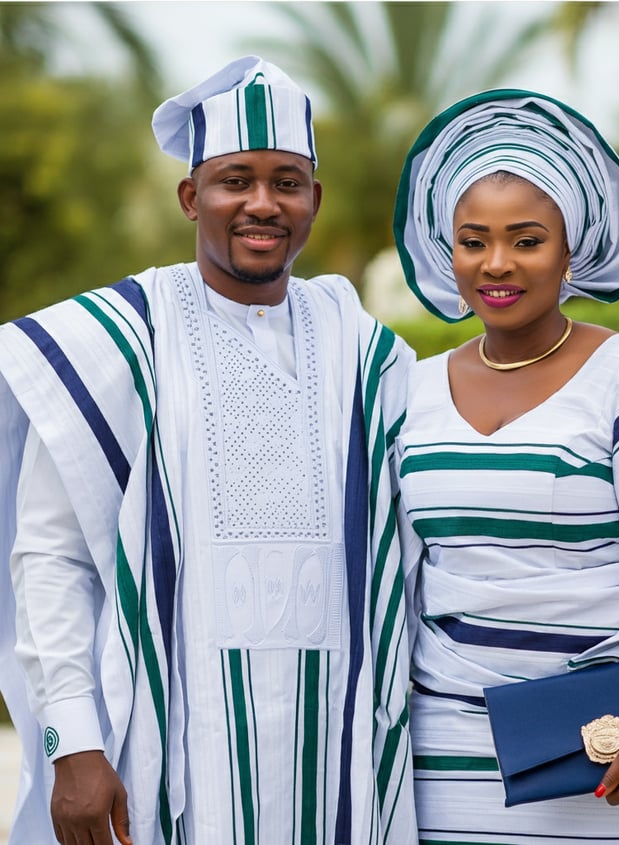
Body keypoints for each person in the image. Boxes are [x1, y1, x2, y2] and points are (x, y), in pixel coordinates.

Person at [0, 56, 417, 845]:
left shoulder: (368, 352)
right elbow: (51, 557)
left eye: (287, 182)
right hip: (170, 751)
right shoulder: (117, 342)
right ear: (191, 197)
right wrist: (71, 741)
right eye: (236, 180)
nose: (263, 203)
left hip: (339, 750)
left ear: (315, 200)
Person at [391, 89, 619, 844]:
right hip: (444, 758)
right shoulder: (409, 387)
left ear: (571, 250)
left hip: (608, 749)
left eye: (527, 240)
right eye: (473, 240)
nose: (497, 263)